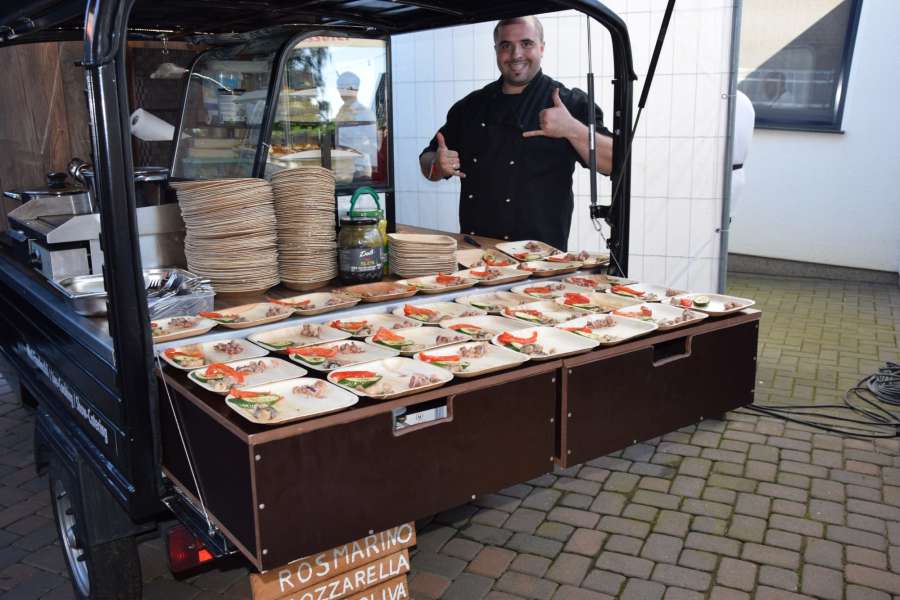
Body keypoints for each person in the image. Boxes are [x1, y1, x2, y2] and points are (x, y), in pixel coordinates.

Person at [418, 16, 613, 250]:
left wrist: (572, 129)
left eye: (526, 43)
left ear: (542, 47)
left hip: (542, 260)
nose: (516, 54)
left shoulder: (568, 103)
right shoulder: (470, 107)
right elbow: (427, 163)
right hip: (476, 256)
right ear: (496, 50)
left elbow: (615, 163)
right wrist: (437, 165)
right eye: (506, 45)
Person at [335, 71, 378, 178]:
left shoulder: (365, 113)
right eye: (339, 87)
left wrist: (355, 148)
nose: (339, 91)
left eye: (341, 87)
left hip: (359, 170)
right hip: (342, 169)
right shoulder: (340, 112)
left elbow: (375, 145)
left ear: (352, 88)